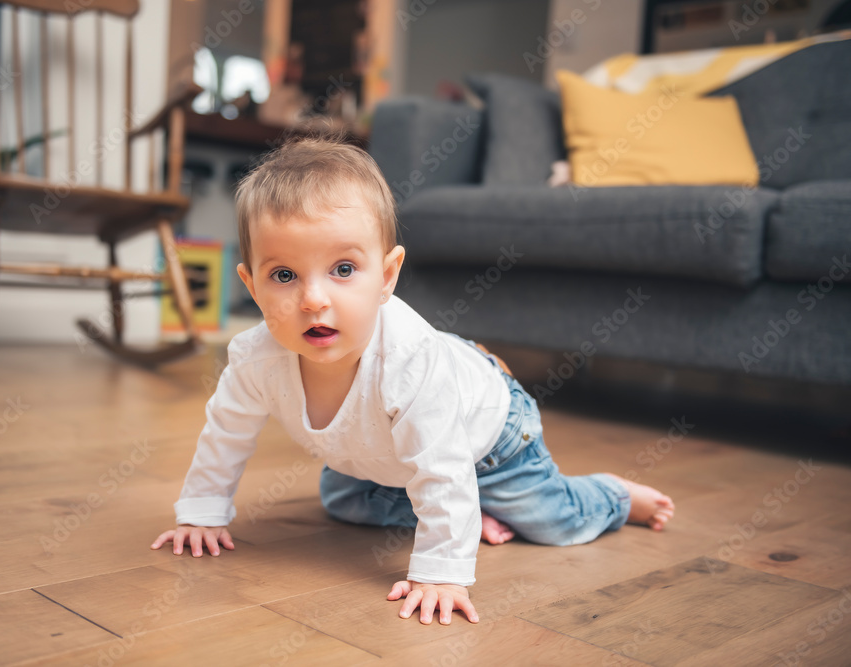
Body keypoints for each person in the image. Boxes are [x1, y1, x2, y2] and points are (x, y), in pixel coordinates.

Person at [151, 135, 675, 626]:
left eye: (342, 269)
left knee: (552, 522)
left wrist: (439, 571)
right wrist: (201, 513)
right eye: (284, 275)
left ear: (387, 274)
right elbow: (226, 434)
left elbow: (444, 468)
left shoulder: (408, 363)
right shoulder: (253, 358)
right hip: (380, 456)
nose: (314, 299)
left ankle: (612, 497)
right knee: (343, 502)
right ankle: (470, 512)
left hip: (488, 436)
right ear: (252, 284)